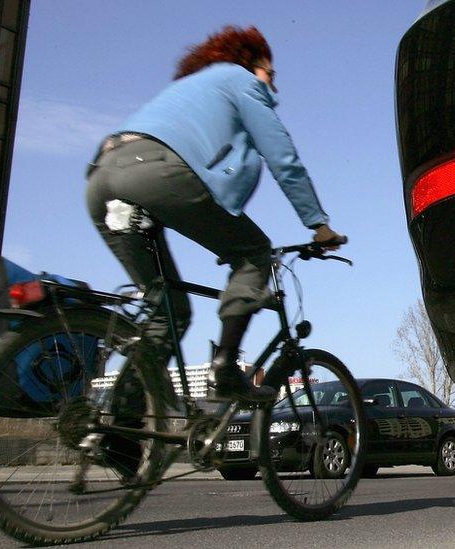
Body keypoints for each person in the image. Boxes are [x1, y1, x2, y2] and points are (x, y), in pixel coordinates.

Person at [86, 25, 344, 404]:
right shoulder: (239, 80)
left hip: (100, 179)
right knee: (254, 252)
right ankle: (225, 369)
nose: (273, 86)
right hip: (154, 173)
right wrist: (319, 224)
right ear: (249, 64)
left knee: (166, 311)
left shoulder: (187, 90)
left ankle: (122, 426)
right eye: (270, 75)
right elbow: (283, 159)